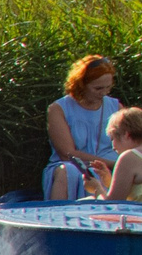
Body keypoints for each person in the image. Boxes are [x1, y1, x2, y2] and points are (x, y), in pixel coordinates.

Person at [44, 55, 120, 200]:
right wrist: (113, 164)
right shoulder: (58, 108)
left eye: (108, 87)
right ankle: (57, 211)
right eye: (98, 88)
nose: (104, 93)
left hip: (109, 166)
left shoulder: (116, 107)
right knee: (66, 171)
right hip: (73, 164)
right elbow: (67, 154)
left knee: (103, 173)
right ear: (81, 84)